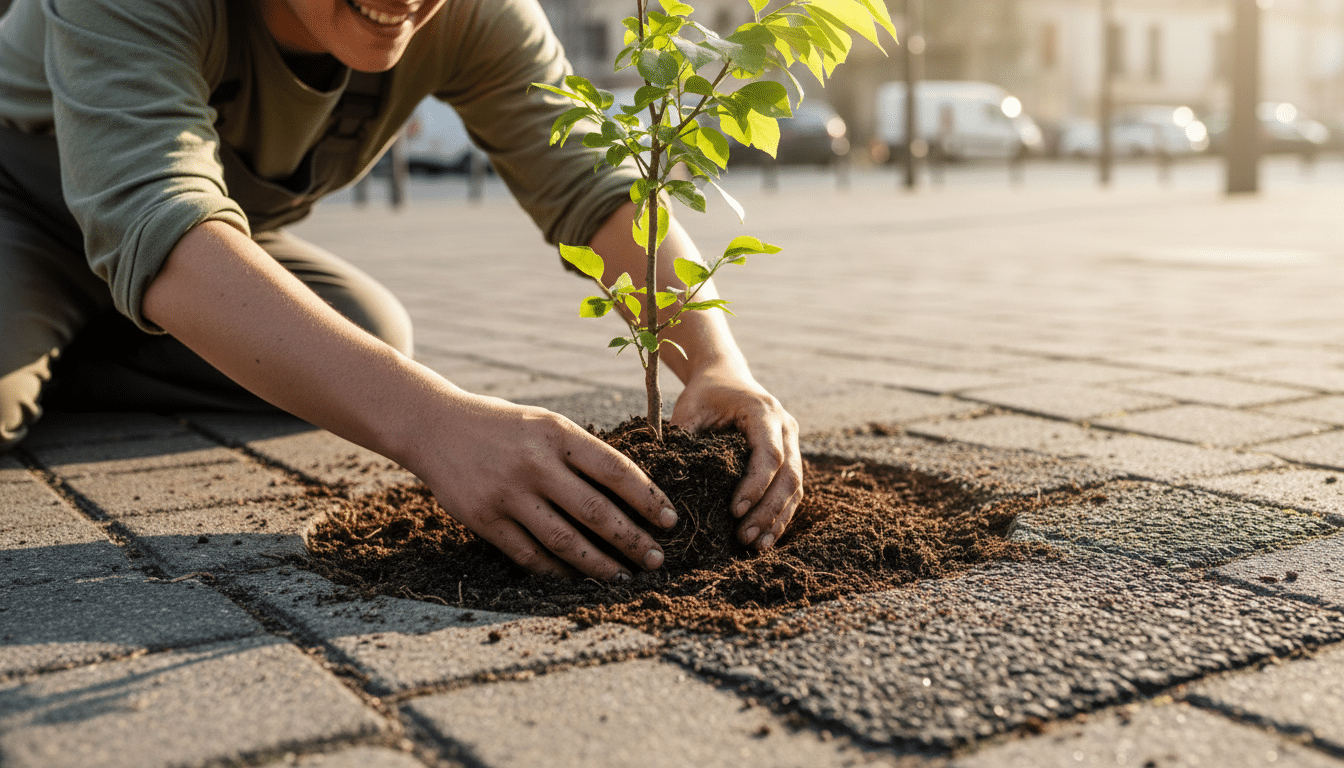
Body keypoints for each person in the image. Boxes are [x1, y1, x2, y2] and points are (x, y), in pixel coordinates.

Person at [0, 0, 802, 582]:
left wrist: (714, 359)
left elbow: (592, 182)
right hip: (21, 206)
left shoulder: (473, 14)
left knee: (365, 330)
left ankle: (101, 333)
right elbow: (153, 208)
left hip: (198, 241)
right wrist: (433, 424)